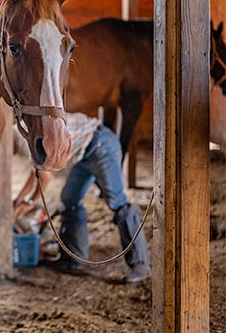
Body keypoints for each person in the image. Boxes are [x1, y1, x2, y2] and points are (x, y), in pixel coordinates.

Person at [13, 113, 151, 283]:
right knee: (69, 200)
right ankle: (73, 258)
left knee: (116, 201)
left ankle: (140, 264)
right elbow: (34, 172)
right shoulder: (20, 130)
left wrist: (28, 202)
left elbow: (44, 177)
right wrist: (20, 199)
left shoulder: (24, 137)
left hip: (100, 145)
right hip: (85, 151)